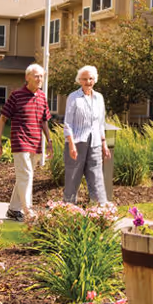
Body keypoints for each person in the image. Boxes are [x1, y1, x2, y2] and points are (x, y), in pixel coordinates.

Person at [0, 63, 53, 221]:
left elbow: (44, 122)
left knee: (25, 176)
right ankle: (28, 211)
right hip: (20, 141)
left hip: (36, 142)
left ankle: (14, 209)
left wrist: (49, 141)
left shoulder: (42, 96)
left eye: (41, 76)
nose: (39, 79)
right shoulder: (16, 95)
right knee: (26, 175)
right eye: (36, 76)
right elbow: (3, 118)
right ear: (27, 77)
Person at [62, 65, 111, 204]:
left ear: (95, 79)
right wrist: (71, 145)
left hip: (95, 142)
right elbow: (68, 123)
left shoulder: (99, 98)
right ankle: (68, 209)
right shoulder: (73, 97)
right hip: (77, 142)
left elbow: (101, 123)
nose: (88, 82)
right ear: (79, 81)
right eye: (84, 79)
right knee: (73, 177)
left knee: (97, 176)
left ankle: (101, 208)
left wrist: (104, 144)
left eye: (90, 78)